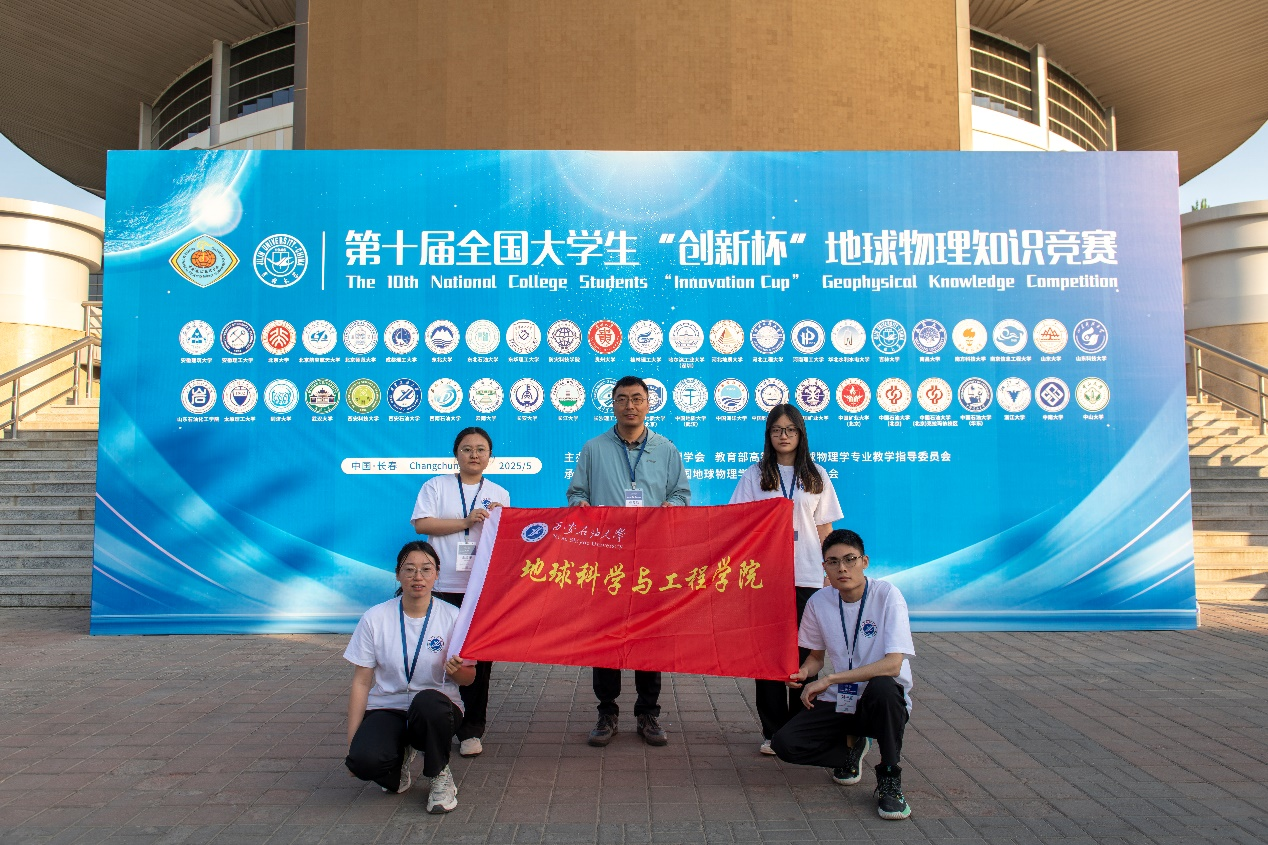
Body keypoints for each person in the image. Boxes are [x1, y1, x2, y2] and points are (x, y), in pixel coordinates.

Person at [566, 374, 691, 747]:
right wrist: (581, 506)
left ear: (648, 404)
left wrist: (672, 506)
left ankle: (648, 713)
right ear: (613, 404)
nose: (630, 405)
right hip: (607, 560)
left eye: (637, 398)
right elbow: (576, 492)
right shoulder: (593, 448)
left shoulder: (666, 449)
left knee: (649, 636)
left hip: (652, 560)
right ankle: (606, 712)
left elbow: (681, 493)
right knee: (605, 636)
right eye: (622, 399)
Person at [771, 529, 915, 820]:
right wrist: (803, 673)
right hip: (843, 701)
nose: (842, 568)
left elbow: (893, 665)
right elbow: (816, 658)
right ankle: (850, 749)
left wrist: (829, 679)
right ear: (824, 567)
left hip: (882, 704)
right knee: (784, 743)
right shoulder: (819, 602)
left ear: (865, 561)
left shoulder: (887, 595)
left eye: (850, 559)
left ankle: (890, 780)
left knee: (884, 687)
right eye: (833, 562)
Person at [729, 404, 842, 755]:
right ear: (769, 435)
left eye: (790, 430)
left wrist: (829, 570)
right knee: (767, 654)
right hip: (765, 577)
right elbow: (739, 522)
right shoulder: (755, 475)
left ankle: (800, 728)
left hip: (807, 575)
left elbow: (825, 528)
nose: (783, 436)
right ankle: (773, 731)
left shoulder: (816, 475)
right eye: (777, 430)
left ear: (800, 434)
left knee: (805, 653)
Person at [344, 541, 477, 814]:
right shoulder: (374, 618)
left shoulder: (454, 617)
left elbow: (469, 679)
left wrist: (457, 671)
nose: (418, 577)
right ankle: (400, 757)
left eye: (426, 569)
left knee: (428, 703)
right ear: (397, 574)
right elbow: (361, 682)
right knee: (364, 761)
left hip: (436, 709)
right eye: (410, 569)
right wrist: (352, 743)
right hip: (388, 707)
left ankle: (439, 774)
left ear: (437, 574)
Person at [410, 426, 510, 758]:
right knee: (437, 656)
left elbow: (503, 541)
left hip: (480, 589)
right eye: (467, 449)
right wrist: (467, 522)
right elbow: (422, 524)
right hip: (441, 587)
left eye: (481, 449)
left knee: (478, 661)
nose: (474, 455)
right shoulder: (436, 486)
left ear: (490, 456)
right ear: (456, 453)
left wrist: (500, 520)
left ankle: (472, 730)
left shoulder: (499, 492)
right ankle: (436, 722)